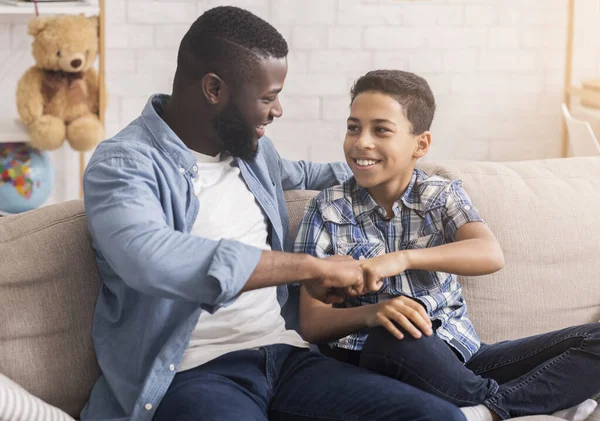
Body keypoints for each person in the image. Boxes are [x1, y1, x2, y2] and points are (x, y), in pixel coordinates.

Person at [80, 7, 467, 421]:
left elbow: (315, 174)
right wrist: (310, 269)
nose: (278, 110)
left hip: (286, 358)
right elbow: (152, 259)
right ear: (214, 89)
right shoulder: (124, 165)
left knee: (441, 418)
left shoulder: (253, 152)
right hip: (193, 375)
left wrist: (405, 167)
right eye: (268, 97)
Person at [295, 69, 600, 421]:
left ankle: (489, 409)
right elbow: (313, 322)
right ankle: (536, 400)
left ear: (420, 144)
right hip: (381, 355)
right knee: (395, 335)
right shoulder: (327, 208)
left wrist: (402, 259)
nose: (362, 142)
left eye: (380, 130)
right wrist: (373, 313)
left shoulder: (440, 195)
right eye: (353, 127)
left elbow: (489, 253)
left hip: (464, 357)